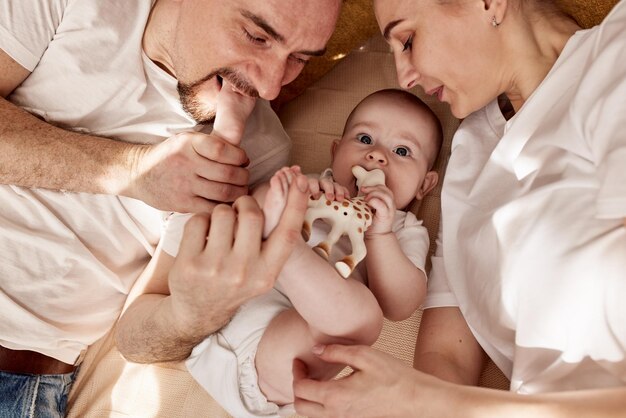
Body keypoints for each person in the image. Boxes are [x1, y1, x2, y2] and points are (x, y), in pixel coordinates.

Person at [0, 0, 341, 416]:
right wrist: (135, 171)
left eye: (298, 60)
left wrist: (192, 313)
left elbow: (136, 339)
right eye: (257, 36)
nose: (270, 86)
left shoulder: (259, 154)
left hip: (17, 380)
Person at [292, 0, 626, 417]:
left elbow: (435, 395)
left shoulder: (615, 56)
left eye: (409, 40)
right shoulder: (470, 149)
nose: (404, 77)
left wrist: (427, 401)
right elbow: (446, 356)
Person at [177, 89, 442, 417]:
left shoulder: (404, 229)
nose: (376, 155)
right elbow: (251, 215)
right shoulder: (312, 186)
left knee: (361, 321)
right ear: (335, 152)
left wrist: (380, 234)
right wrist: (284, 196)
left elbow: (400, 304)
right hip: (222, 310)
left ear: (425, 185)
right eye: (363, 138)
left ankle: (284, 242)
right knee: (260, 205)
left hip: (274, 358)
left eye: (402, 150)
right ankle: (280, 237)